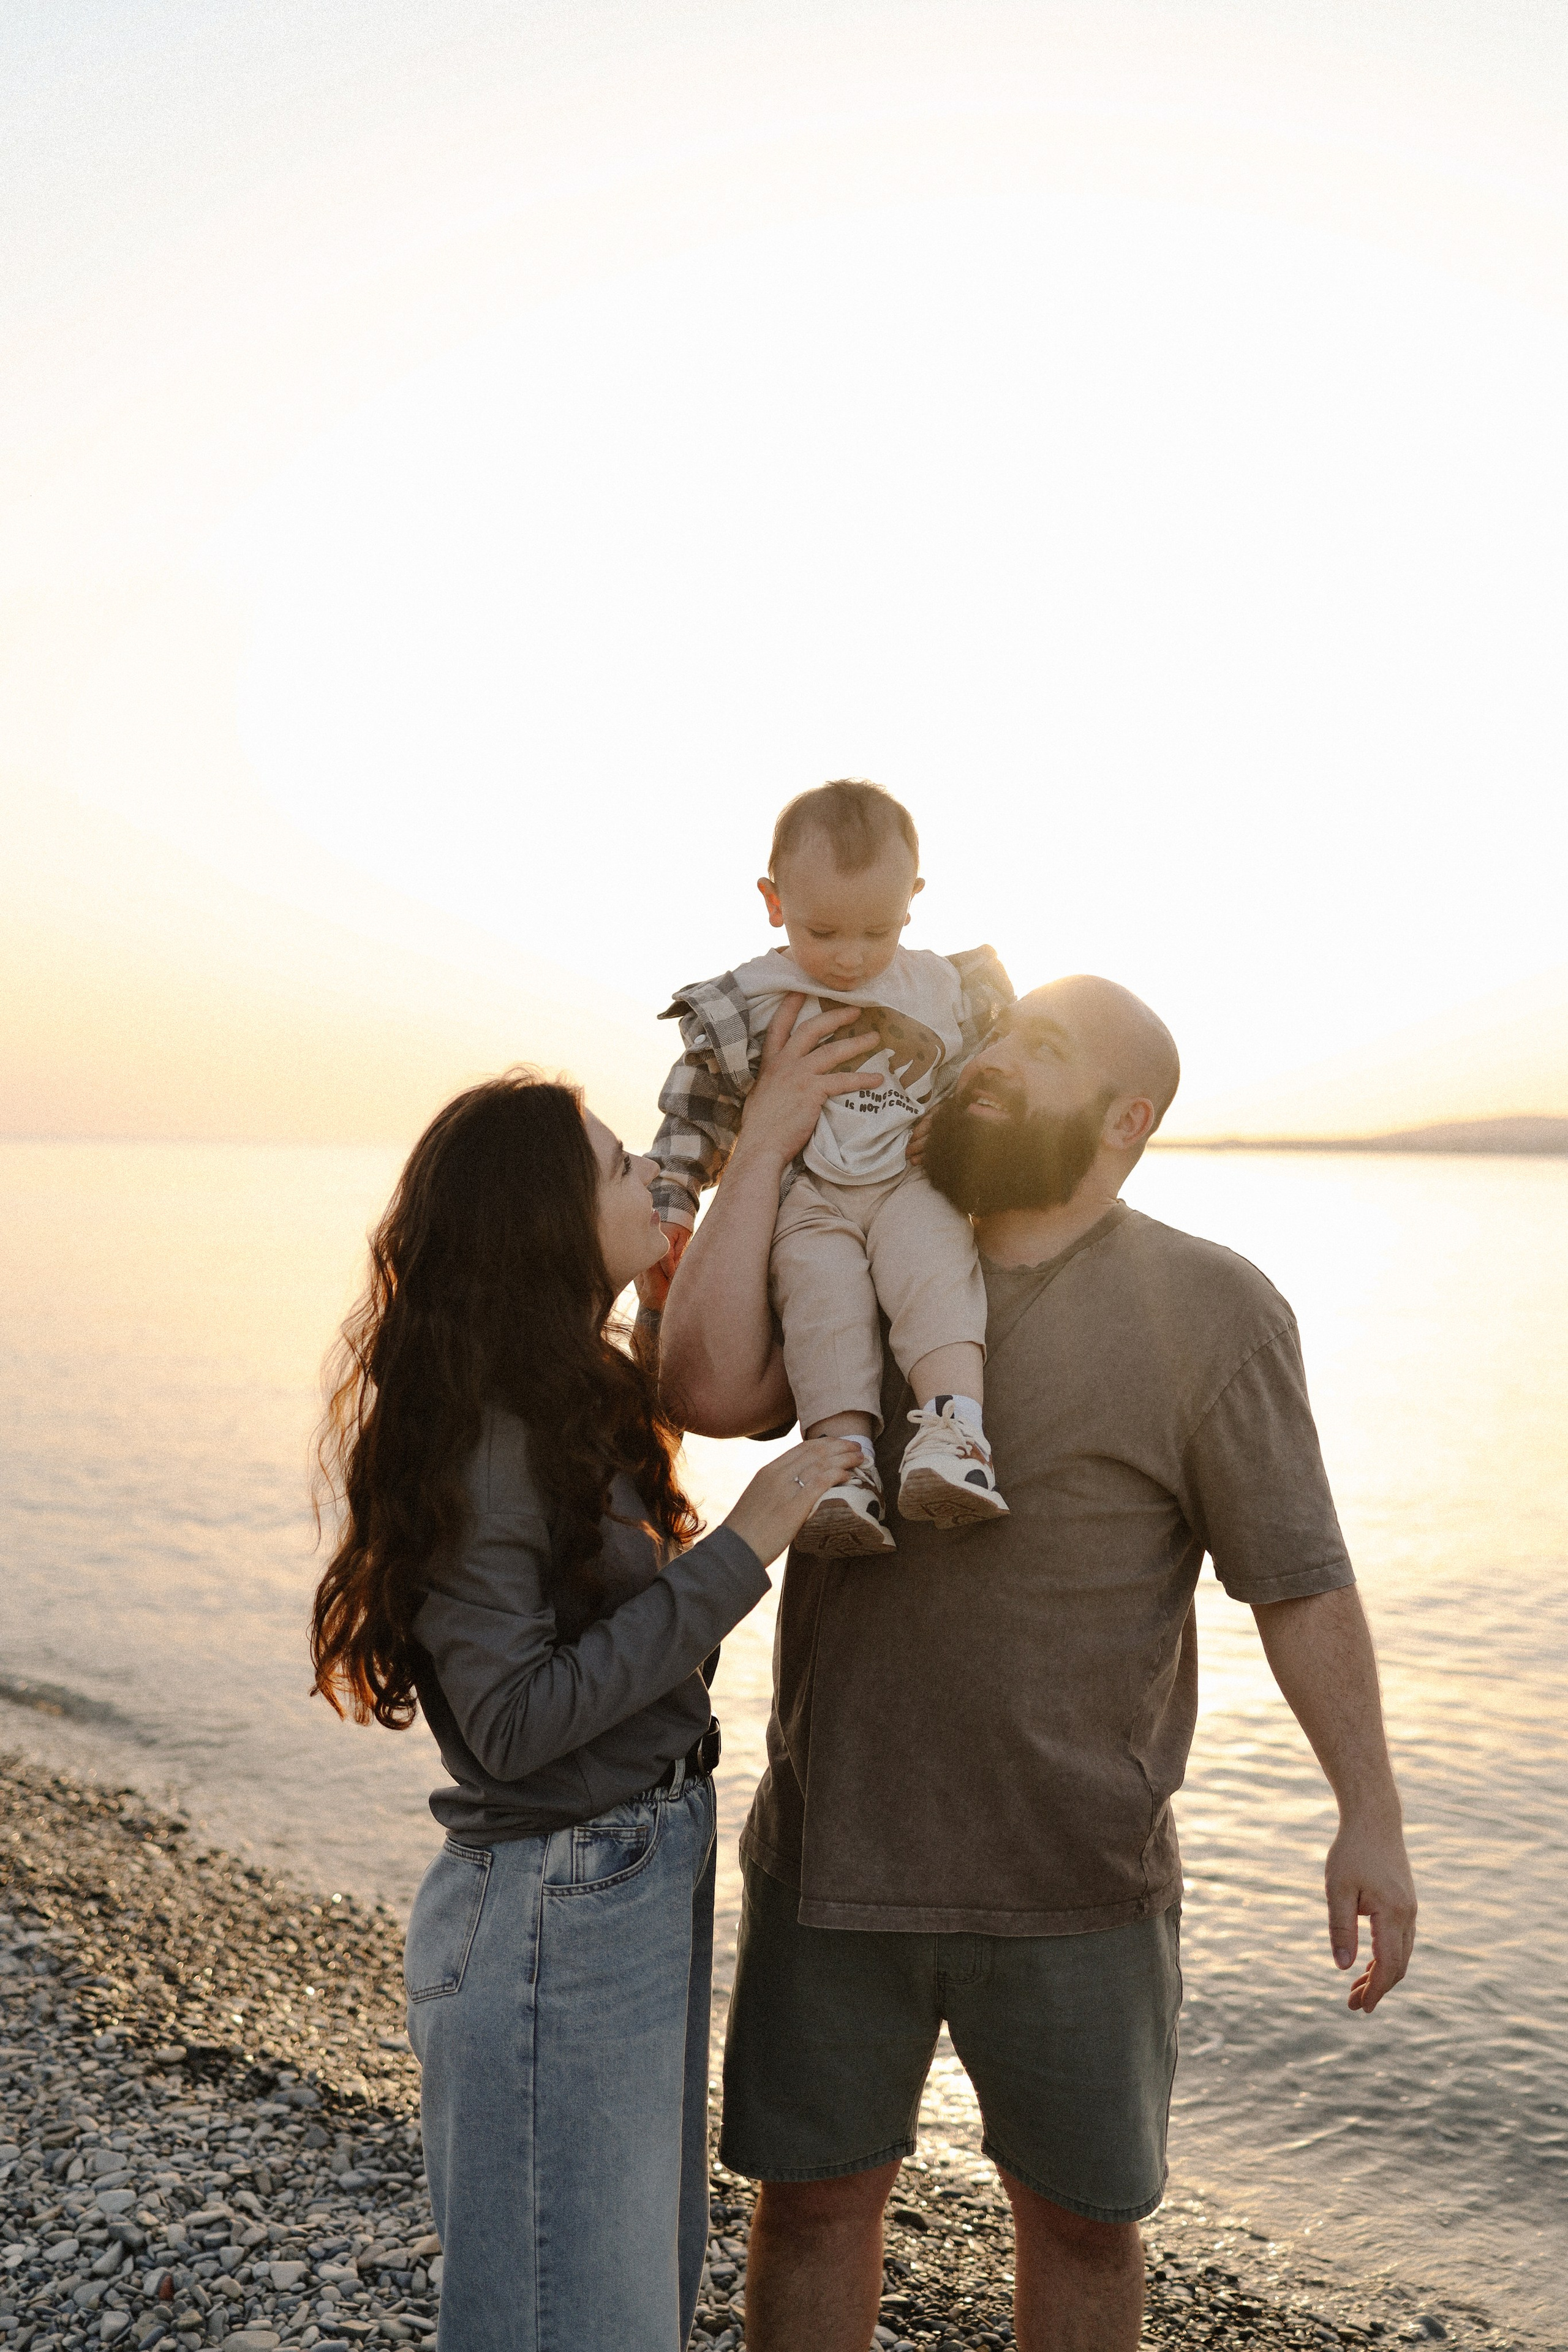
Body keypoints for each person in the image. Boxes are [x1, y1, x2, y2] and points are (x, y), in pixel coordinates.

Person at [656, 979, 1419, 2352]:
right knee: (814, 2207)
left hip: (1078, 1882)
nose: (992, 1061)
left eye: (1041, 1053)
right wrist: (761, 1146)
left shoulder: (1210, 1309)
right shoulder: (861, 1242)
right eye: (999, 1038)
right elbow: (703, 1390)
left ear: (1126, 1120)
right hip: (834, 1858)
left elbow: (1296, 1582)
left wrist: (1367, 1813)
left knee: (1081, 2228)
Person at [309, 1070, 862, 2352]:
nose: (653, 1178)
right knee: (585, 2319)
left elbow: (714, 1374)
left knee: (616, 2307)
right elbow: (507, 1719)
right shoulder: (492, 1431)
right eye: (620, 1167)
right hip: (559, 1900)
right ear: (545, 1218)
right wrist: (749, 1543)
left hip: (619, 1872)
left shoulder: (556, 1392)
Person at [649, 778, 1016, 1555]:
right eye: (823, 933)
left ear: (912, 900)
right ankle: (840, 1467)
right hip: (809, 1194)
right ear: (773, 900)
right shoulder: (747, 1001)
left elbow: (990, 1076)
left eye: (875, 933)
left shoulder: (948, 989)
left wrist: (953, 1127)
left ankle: (955, 1435)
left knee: (934, 1269)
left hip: (908, 1181)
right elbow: (691, 1118)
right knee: (823, 1299)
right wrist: (672, 1206)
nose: (849, 959)